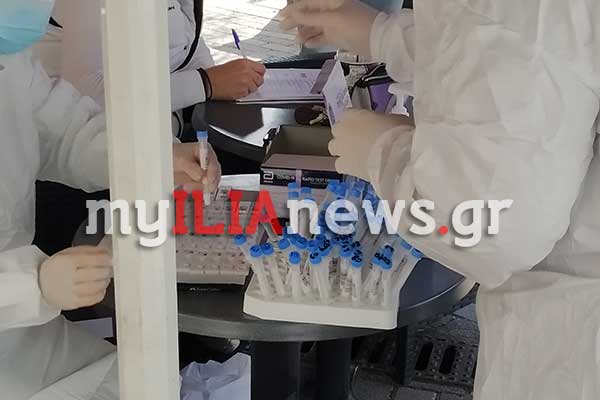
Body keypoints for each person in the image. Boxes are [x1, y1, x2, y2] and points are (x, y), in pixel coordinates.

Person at [281, 1, 600, 399]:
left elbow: (493, 224)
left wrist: (386, 153)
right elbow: (520, 53)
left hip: (569, 342)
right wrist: (384, 37)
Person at [0, 0, 222, 398]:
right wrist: (31, 284)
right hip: (15, 306)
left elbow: (68, 132)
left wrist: (156, 158)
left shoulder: (11, 63)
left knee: (148, 382)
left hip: (24, 334)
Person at [35, 0, 267, 130]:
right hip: (90, 163)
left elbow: (185, 46)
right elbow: (85, 93)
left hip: (163, 142)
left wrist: (226, 80)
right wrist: (205, 83)